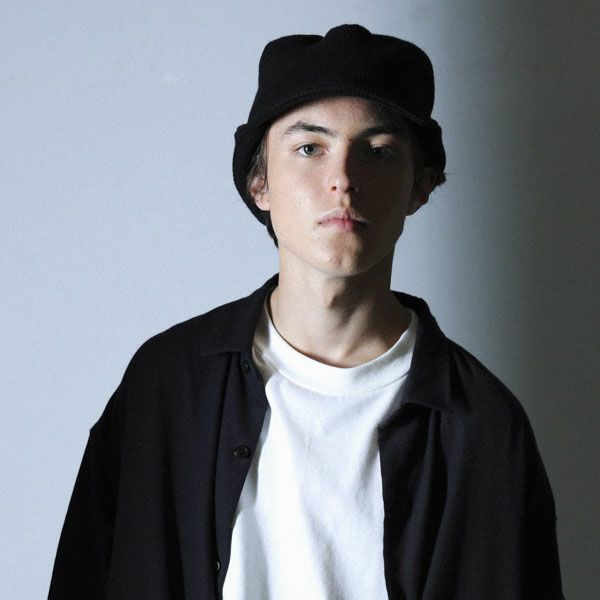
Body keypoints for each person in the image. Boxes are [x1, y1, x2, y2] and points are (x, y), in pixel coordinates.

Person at [49, 24, 564, 599]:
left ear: (420, 187)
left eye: (378, 152)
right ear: (259, 182)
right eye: (310, 148)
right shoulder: (167, 385)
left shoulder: (482, 426)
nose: (342, 179)